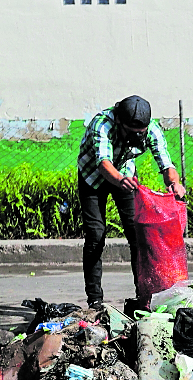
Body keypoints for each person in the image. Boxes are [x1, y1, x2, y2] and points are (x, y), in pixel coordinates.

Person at [77, 95, 186, 310]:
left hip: (126, 175)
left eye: (140, 133)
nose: (137, 137)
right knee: (95, 236)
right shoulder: (102, 124)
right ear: (119, 121)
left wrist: (175, 183)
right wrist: (119, 180)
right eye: (132, 132)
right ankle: (95, 300)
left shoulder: (151, 129)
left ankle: (143, 296)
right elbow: (103, 163)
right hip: (93, 176)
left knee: (138, 236)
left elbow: (165, 162)